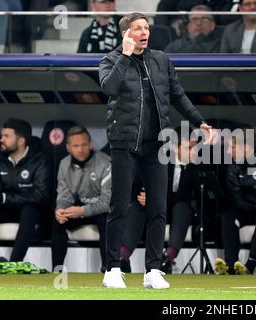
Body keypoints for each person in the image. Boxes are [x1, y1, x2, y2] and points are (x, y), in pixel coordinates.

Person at [99, 12, 213, 289]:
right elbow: (108, 88)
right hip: (125, 143)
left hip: (157, 145)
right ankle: (112, 268)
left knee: (158, 208)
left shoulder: (161, 60)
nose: (144, 31)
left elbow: (178, 96)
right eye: (137, 28)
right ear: (126, 33)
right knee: (119, 206)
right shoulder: (111, 60)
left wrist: (200, 121)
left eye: (146, 27)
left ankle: (153, 270)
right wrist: (126, 56)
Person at [119, 126, 217, 274]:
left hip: (178, 212)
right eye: (188, 147)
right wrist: (147, 195)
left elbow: (187, 196)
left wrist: (156, 197)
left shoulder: (199, 166)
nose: (194, 151)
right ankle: (123, 257)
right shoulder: (158, 161)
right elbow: (138, 184)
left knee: (181, 206)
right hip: (155, 209)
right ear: (175, 148)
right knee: (138, 205)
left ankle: (167, 259)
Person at [214, 129, 256, 275]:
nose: (228, 151)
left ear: (245, 148)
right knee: (228, 214)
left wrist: (247, 192)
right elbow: (234, 195)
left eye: (232, 147)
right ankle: (231, 265)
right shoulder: (234, 162)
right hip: (246, 208)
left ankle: (250, 265)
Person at [0, 118, 50, 262]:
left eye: (7, 136)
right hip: (5, 211)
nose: (1, 139)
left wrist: (5, 198)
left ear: (21, 141)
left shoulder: (39, 160)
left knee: (30, 208)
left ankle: (14, 262)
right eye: (2, 136)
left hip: (31, 215)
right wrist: (6, 199)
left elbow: (40, 196)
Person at [51, 126, 111, 272]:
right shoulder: (64, 164)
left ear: (91, 144)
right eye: (75, 146)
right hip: (77, 210)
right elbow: (64, 196)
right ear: (68, 148)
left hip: (98, 211)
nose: (80, 149)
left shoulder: (105, 162)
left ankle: (108, 269)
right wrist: (60, 209)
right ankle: (57, 271)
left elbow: (107, 201)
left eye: (84, 144)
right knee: (58, 221)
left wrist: (83, 211)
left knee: (106, 220)